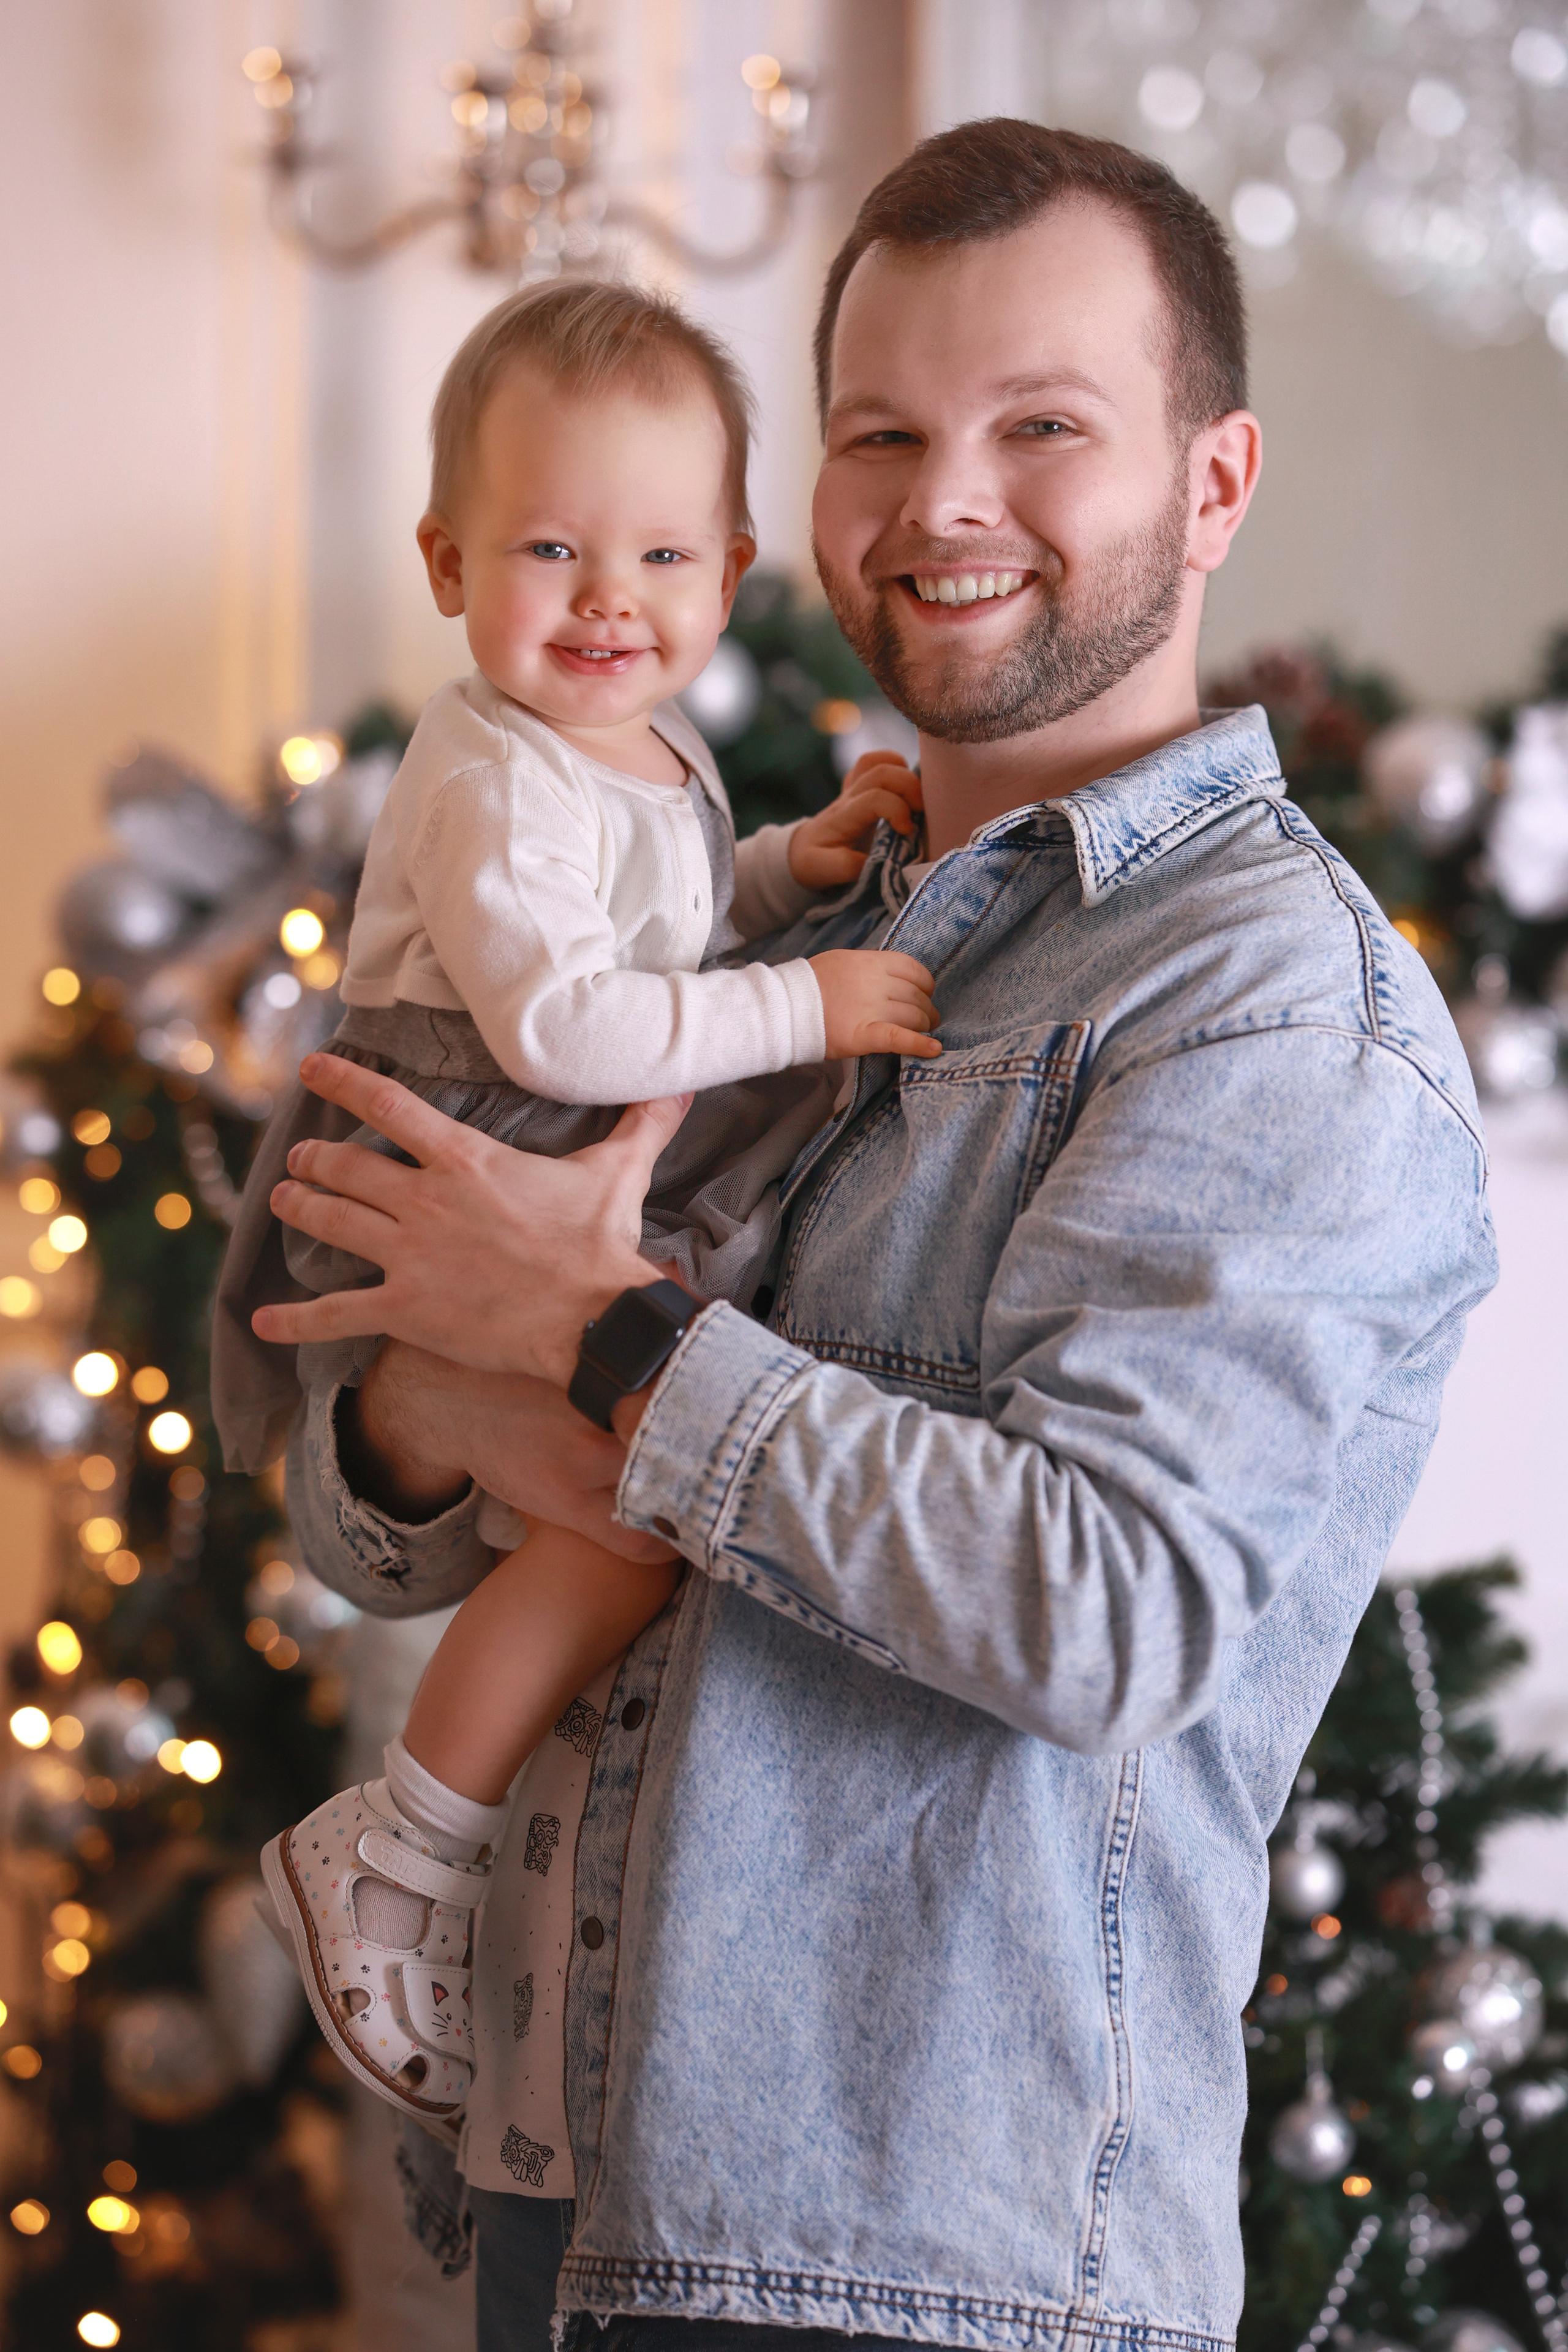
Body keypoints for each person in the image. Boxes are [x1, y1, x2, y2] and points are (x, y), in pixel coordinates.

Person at [254, 120, 1497, 2352]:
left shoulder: (1271, 1006)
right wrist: (452, 1388)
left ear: (1215, 484)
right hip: (569, 2177)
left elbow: (1104, 1609)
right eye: (882, 434)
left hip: (922, 2253)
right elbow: (372, 1520)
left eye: (1042, 428)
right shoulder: (777, 915)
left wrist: (613, 1352)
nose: (943, 501)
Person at [211, 279, 941, 2122]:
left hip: (557, 1140)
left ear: (732, 567)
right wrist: (809, 999)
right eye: (551, 545)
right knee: (633, 1514)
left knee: (638, 1506)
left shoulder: (640, 745)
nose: (610, 594)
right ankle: (400, 1850)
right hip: (460, 1141)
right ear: (452, 563)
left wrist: (788, 870)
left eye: (660, 552)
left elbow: (658, 928)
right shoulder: (481, 773)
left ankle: (423, 1841)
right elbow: (560, 1009)